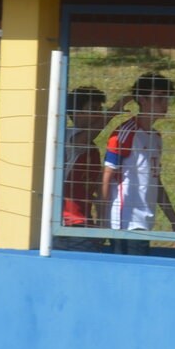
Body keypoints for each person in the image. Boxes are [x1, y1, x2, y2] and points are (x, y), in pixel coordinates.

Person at [102, 72, 175, 255]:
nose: (165, 104)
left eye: (167, 98)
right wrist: (102, 221)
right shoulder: (125, 132)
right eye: (159, 98)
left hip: (144, 222)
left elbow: (155, 181)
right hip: (124, 223)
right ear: (142, 99)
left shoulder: (156, 138)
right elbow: (106, 176)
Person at [55, 86, 129, 252]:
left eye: (100, 109)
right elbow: (87, 136)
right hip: (67, 223)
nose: (99, 114)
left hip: (84, 222)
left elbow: (94, 189)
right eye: (93, 109)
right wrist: (112, 112)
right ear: (76, 113)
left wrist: (101, 223)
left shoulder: (92, 149)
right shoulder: (68, 137)